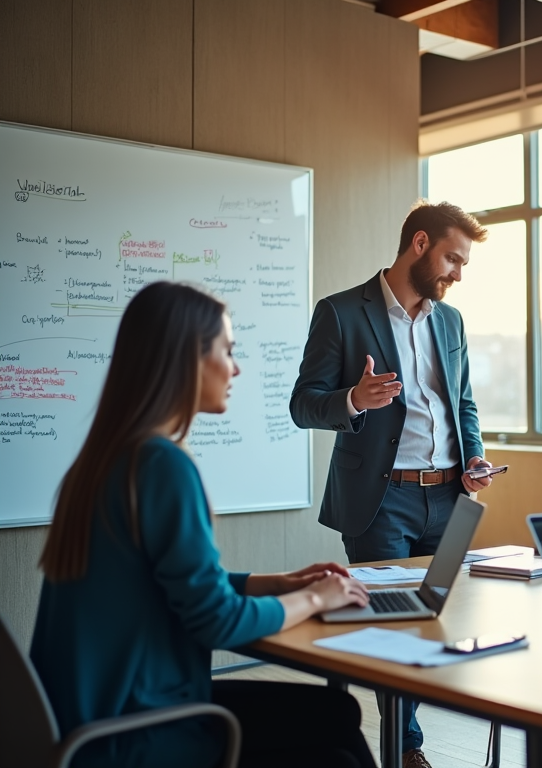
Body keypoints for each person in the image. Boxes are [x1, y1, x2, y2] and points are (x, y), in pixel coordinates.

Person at [31, 282, 375, 768]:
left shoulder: (104, 461)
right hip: (135, 733)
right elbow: (217, 621)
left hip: (87, 721)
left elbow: (169, 585)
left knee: (336, 714)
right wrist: (316, 598)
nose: (235, 368)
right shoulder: (161, 465)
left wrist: (274, 584)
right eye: (227, 351)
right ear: (185, 359)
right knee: (337, 739)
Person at [290, 200, 495, 768]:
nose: (458, 273)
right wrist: (354, 399)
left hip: (450, 497)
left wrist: (473, 456)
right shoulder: (339, 313)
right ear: (421, 245)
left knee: (434, 624)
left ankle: (406, 739)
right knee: (393, 632)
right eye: (454, 258)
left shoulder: (450, 322)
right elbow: (302, 405)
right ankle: (406, 750)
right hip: (381, 502)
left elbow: (464, 404)